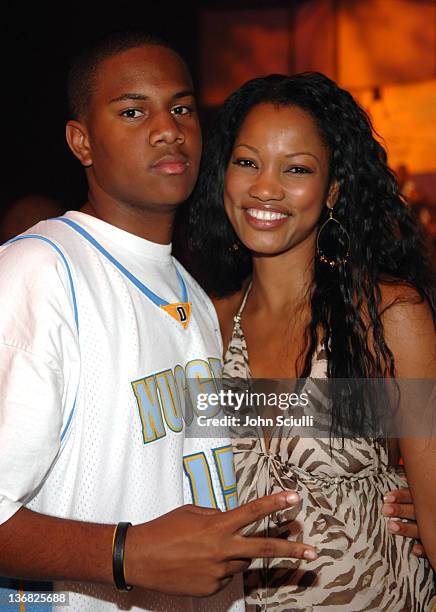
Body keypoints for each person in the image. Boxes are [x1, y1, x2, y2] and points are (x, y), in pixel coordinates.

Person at [0, 33, 322, 612]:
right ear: (82, 141)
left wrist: (377, 453)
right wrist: (125, 554)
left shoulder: (194, 297)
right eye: (132, 110)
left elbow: (221, 415)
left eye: (180, 108)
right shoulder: (42, 271)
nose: (167, 128)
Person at [188, 72, 436, 610]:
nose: (265, 188)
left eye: (296, 169)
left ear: (334, 190)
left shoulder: (387, 316)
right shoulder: (207, 323)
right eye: (247, 162)